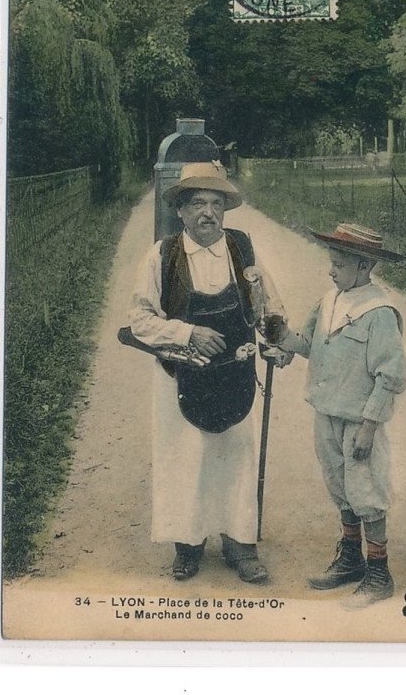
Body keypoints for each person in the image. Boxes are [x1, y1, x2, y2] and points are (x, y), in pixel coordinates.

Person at [128, 161, 270, 584]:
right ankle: (187, 545)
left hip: (236, 377)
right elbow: (138, 319)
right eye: (198, 204)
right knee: (185, 459)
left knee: (236, 458)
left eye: (216, 203)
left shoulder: (242, 249)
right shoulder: (162, 255)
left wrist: (275, 335)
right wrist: (187, 332)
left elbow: (268, 304)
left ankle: (240, 543)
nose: (208, 213)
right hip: (181, 378)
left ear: (225, 209)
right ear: (181, 212)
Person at [277, 223, 406, 609]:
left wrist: (369, 428)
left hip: (358, 422)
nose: (331, 270)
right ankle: (351, 560)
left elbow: (391, 376)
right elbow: (306, 344)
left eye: (339, 264)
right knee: (340, 488)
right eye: (331, 262)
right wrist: (280, 338)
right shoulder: (329, 301)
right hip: (327, 414)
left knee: (367, 493)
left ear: (364, 267)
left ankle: (379, 574)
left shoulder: (379, 312)